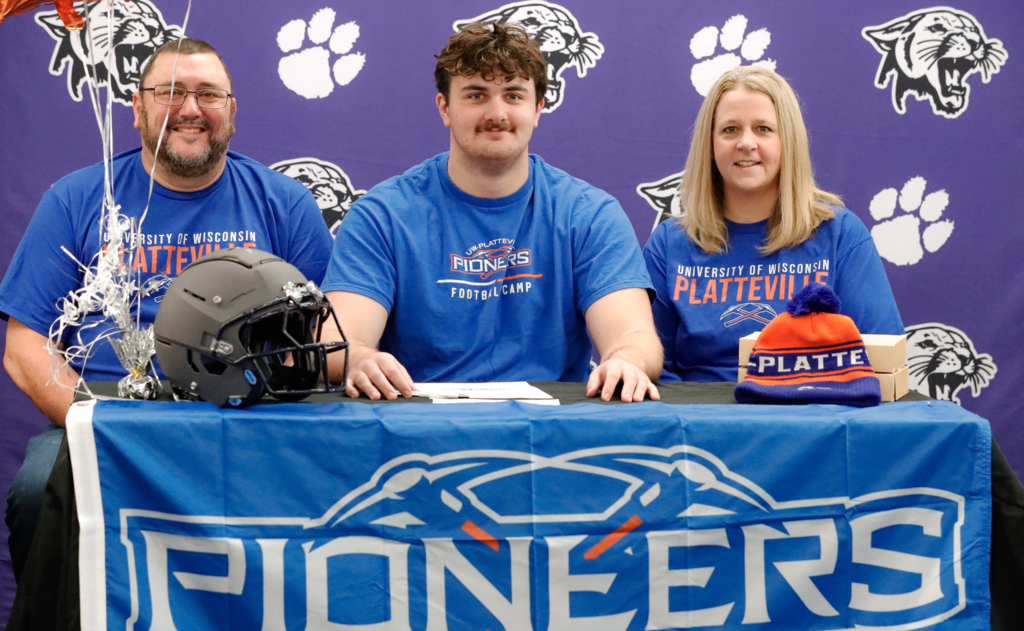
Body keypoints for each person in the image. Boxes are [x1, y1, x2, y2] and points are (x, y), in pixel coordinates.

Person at [0, 38, 333, 581]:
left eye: (209, 94)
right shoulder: (77, 199)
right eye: (170, 92)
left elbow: (324, 328)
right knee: (41, 490)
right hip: (105, 416)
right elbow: (24, 349)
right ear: (137, 109)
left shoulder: (285, 203)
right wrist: (97, 423)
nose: (190, 109)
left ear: (232, 111)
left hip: (249, 418)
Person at [321, 22, 662, 403]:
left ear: (537, 109)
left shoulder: (590, 215)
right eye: (476, 95)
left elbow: (634, 337)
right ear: (445, 108)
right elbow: (339, 341)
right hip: (416, 427)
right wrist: (360, 360)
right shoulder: (382, 216)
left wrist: (626, 360)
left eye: (513, 95)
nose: (497, 112)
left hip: (555, 431)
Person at [644, 66, 904, 382]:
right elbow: (647, 367)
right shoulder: (669, 243)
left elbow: (880, 362)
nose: (746, 143)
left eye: (763, 129)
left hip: (809, 419)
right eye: (730, 130)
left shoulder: (840, 235)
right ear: (709, 145)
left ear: (788, 141)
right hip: (700, 422)